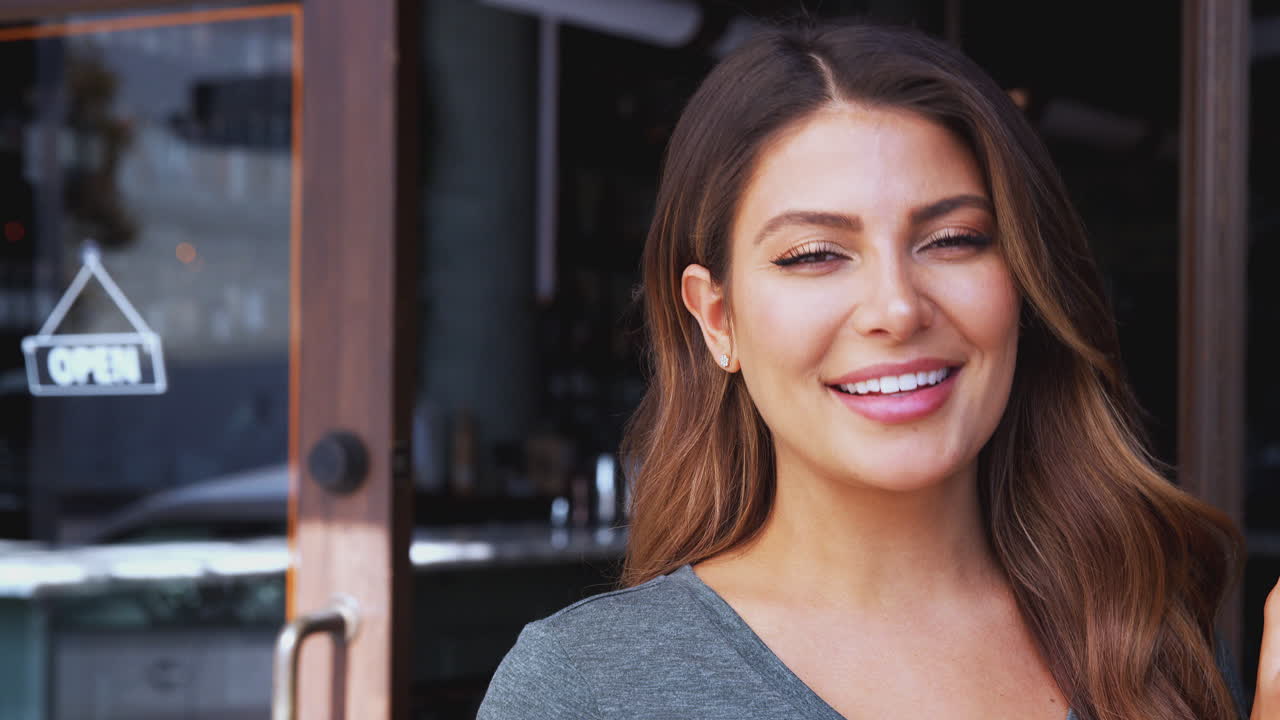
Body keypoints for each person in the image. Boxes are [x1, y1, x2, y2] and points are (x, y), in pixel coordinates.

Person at [479, 21, 1278, 720]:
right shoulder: (587, 689)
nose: (896, 309)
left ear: (1024, 282)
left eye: (954, 240)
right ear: (715, 318)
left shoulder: (1157, 640)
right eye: (815, 254)